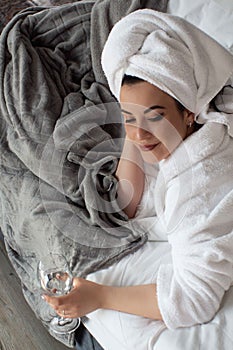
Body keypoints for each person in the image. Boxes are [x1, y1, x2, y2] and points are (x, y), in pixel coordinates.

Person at [44, 9, 233, 349]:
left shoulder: (199, 185)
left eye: (155, 117)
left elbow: (193, 300)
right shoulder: (179, 132)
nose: (140, 134)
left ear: (189, 111)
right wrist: (137, 123)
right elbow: (128, 204)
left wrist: (99, 296)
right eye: (127, 117)